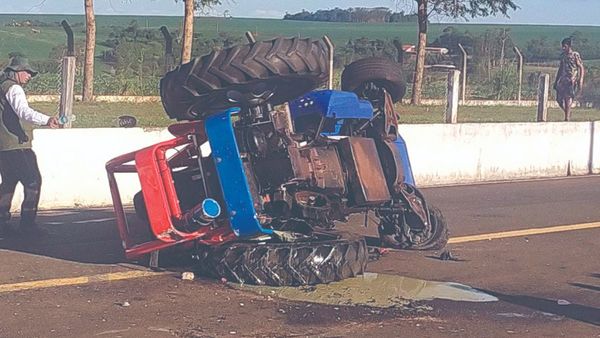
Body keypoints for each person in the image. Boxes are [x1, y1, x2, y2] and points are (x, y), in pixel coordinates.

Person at [0, 55, 59, 236]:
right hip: (17, 145)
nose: (30, 76)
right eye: (27, 72)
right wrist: (46, 119)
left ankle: (1, 223)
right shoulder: (14, 88)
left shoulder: (2, 85)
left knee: (9, 182)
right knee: (33, 182)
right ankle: (28, 225)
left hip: (4, 146)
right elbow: (24, 112)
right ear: (17, 72)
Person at [554, 37, 585, 121]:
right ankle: (567, 112)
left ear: (569, 46)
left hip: (571, 80)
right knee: (559, 99)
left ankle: (567, 118)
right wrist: (556, 80)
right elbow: (561, 68)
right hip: (563, 80)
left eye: (565, 46)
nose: (563, 48)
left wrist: (580, 79)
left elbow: (581, 67)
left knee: (568, 97)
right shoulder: (563, 56)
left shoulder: (575, 55)